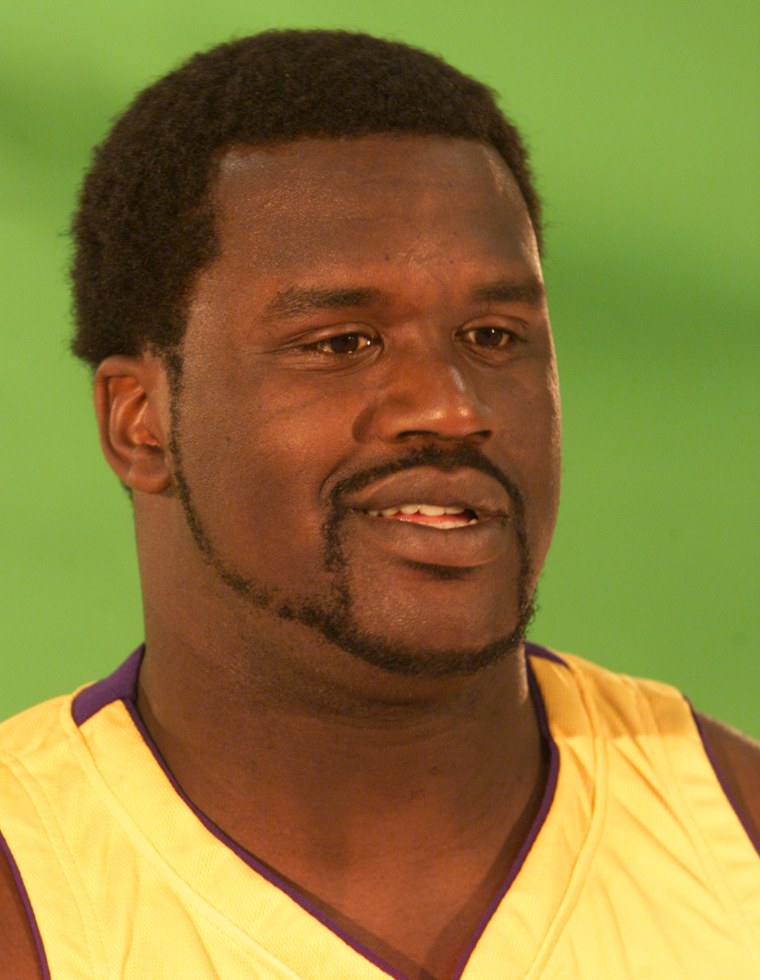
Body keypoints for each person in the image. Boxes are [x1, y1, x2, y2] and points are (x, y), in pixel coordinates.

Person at [1, 28, 758, 979]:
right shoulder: (27, 889)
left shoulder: (736, 836)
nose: (453, 405)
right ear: (141, 422)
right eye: (342, 342)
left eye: (493, 333)